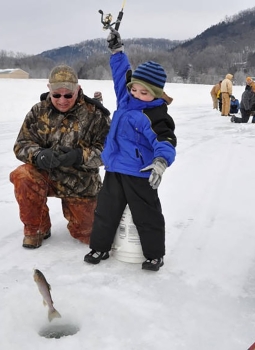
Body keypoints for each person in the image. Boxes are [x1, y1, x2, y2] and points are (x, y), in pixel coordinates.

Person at [84, 29, 177, 272]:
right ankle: (100, 247)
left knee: (147, 216)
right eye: (135, 89)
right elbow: (120, 75)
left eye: (144, 92)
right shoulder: (127, 100)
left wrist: (161, 161)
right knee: (106, 211)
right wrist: (117, 52)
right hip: (115, 169)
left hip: (140, 173)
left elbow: (165, 140)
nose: (136, 94)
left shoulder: (155, 115)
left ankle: (155, 254)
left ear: (156, 94)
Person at [9, 64, 111, 249]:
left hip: (81, 181)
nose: (62, 100)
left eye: (68, 95)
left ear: (77, 90)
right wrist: (39, 155)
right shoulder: (38, 112)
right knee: (22, 175)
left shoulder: (95, 114)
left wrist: (79, 156)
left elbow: (110, 152)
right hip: (47, 175)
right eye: (56, 95)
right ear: (49, 89)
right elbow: (21, 145)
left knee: (87, 235)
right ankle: (37, 228)